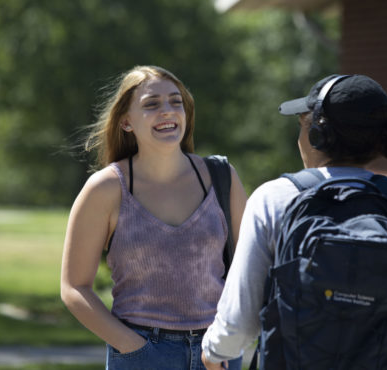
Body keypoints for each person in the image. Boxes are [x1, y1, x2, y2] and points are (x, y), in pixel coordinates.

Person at [201, 74, 387, 369]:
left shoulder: (273, 199)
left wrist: (213, 352)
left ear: (317, 136)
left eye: (302, 127)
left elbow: (239, 321)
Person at [60, 65, 247, 370]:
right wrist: (133, 347)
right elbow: (74, 287)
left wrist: (231, 336)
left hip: (218, 353)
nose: (168, 111)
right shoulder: (106, 188)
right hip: (141, 354)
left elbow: (252, 267)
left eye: (176, 102)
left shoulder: (222, 177)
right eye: (151, 104)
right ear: (126, 122)